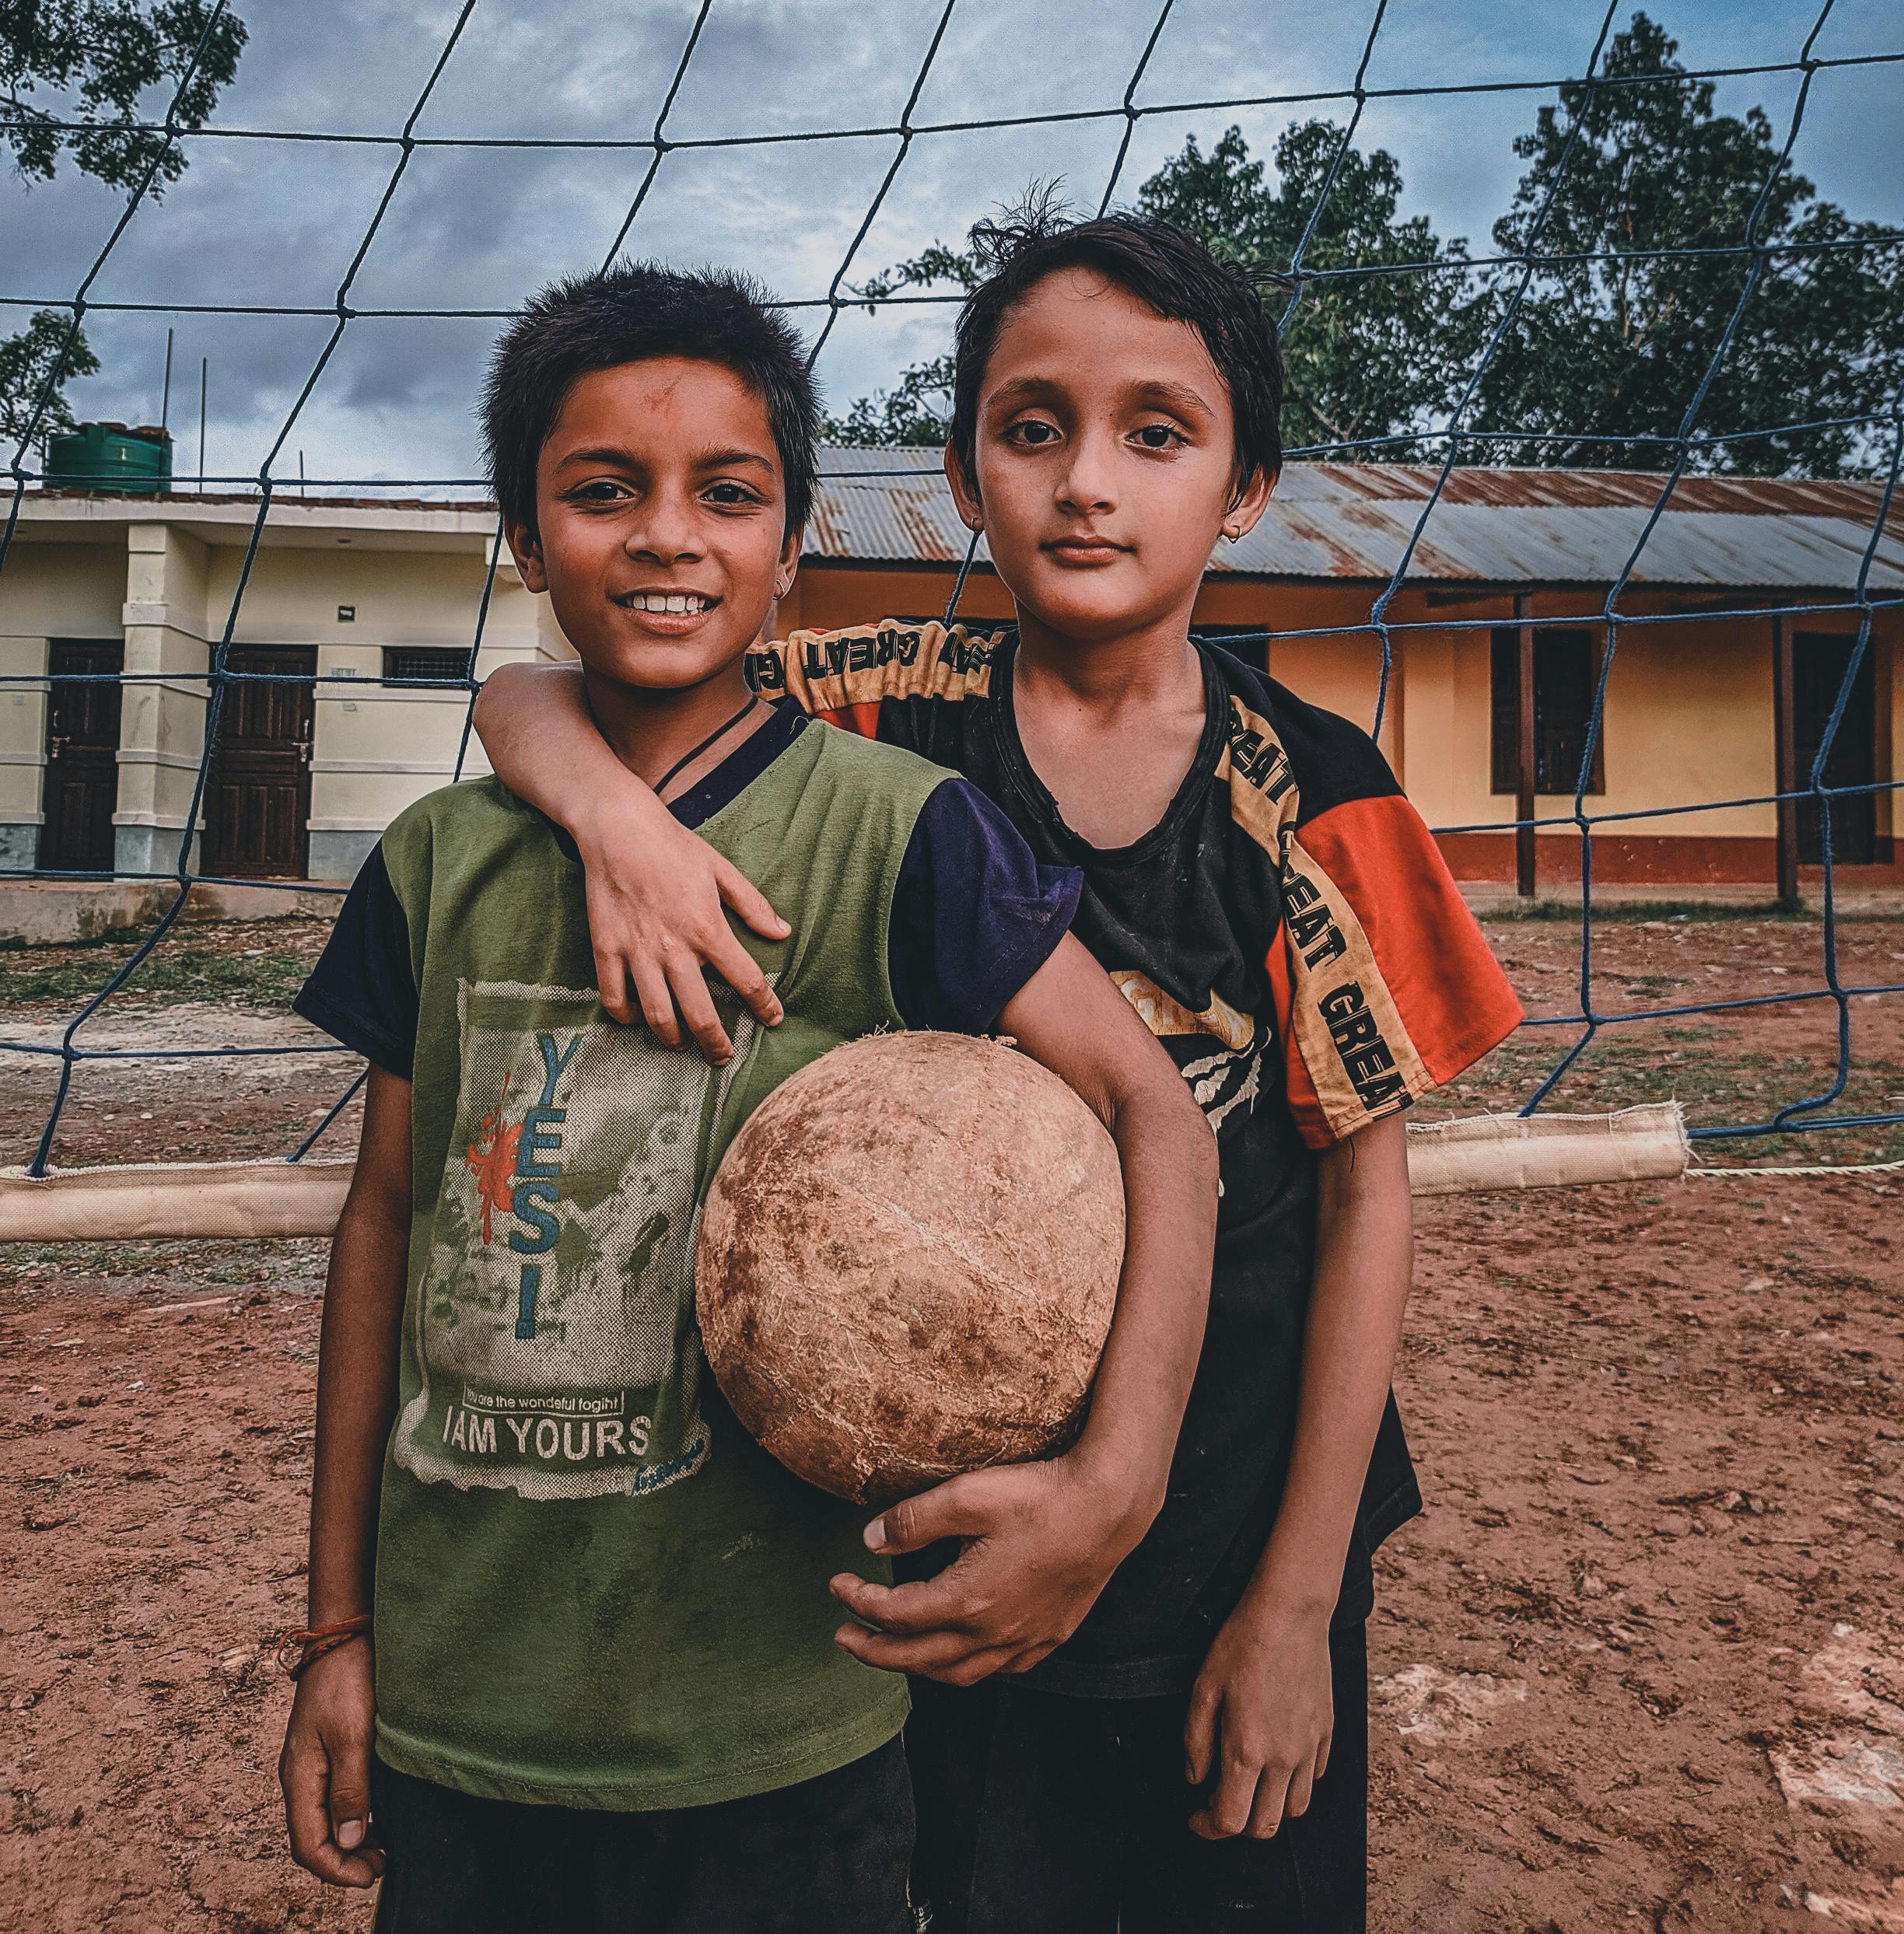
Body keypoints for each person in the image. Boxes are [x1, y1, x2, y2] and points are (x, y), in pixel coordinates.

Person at [473, 212, 1525, 1933]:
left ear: (1247, 487)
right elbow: (541, 689)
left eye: (1155, 434)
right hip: (931, 1545)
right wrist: (614, 823)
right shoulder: (872, 716)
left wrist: (1296, 1606)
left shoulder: (1317, 784)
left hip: (1225, 1541)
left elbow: (1367, 1193)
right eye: (1033, 430)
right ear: (966, 476)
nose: (1087, 483)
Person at [277, 263, 1218, 1934]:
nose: (665, 536)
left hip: (784, 1728)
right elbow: (381, 1227)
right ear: (520, 533)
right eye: (601, 491)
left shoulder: (894, 832)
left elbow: (1160, 1118)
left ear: (791, 548)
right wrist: (337, 1632)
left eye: (727, 494)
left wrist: (1112, 1488)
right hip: (458, 1711)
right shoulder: (435, 863)